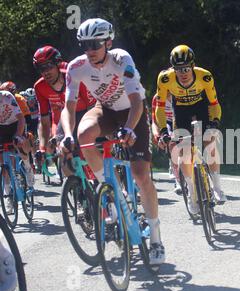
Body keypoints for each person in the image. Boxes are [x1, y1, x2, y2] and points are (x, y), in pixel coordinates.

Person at [60, 18, 164, 265]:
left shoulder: (121, 59)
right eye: (85, 45)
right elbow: (69, 107)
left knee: (141, 176)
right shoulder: (76, 67)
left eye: (95, 44)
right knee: (83, 135)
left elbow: (136, 100)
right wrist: (66, 134)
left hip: (132, 112)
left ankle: (157, 239)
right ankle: (110, 188)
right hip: (105, 110)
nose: (90, 50)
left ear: (108, 42)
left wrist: (129, 128)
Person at [156, 45, 227, 217]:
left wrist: (215, 122)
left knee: (209, 140)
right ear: (173, 69)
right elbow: (159, 107)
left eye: (187, 68)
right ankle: (192, 193)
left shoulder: (205, 76)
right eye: (179, 69)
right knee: (184, 150)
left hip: (202, 106)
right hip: (180, 111)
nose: (183, 73)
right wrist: (164, 130)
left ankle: (217, 186)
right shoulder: (165, 79)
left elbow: (214, 104)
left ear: (193, 65)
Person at [33, 45, 95, 175]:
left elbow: (91, 106)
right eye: (40, 68)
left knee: (86, 143)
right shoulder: (39, 87)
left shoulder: (72, 75)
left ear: (57, 63)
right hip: (64, 118)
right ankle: (75, 187)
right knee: (63, 151)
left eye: (48, 66)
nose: (45, 72)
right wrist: (42, 148)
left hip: (86, 112)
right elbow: (44, 121)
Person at [0, 90, 34, 213]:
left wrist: (18, 135)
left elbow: (21, 118)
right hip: (1, 128)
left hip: (15, 123)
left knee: (19, 143)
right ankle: (8, 195)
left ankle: (27, 166)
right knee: (3, 166)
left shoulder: (7, 96)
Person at [150, 92, 182, 194]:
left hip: (181, 118)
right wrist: (156, 135)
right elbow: (154, 120)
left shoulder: (179, 92)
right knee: (171, 142)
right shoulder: (157, 97)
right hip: (166, 122)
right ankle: (179, 181)